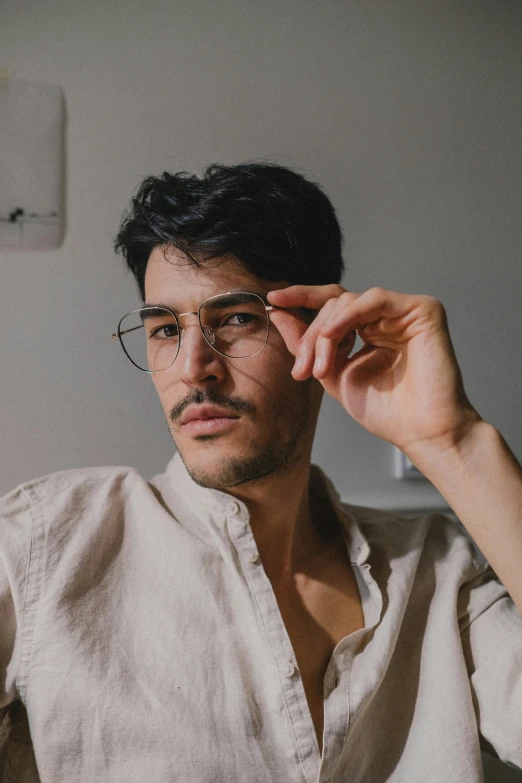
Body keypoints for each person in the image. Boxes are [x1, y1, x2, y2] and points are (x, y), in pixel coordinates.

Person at [0, 161, 521, 783]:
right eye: (166, 329)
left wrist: (453, 440)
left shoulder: (440, 572)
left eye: (236, 319)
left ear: (323, 325)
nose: (194, 368)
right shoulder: (42, 545)